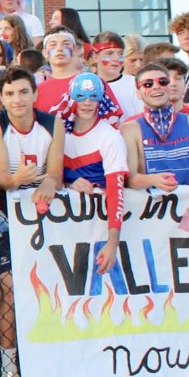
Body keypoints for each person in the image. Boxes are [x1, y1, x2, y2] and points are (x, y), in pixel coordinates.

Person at [0, 68, 64, 377]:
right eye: (10, 93)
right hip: (5, 217)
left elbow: (55, 172)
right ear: (1, 98)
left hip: (43, 217)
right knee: (10, 289)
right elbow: (3, 178)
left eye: (24, 92)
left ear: (35, 94)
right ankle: (9, 367)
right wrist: (23, 178)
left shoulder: (52, 124)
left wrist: (49, 182)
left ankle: (46, 361)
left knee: (49, 290)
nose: (17, 99)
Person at [120, 63, 189, 211]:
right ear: (138, 93)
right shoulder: (129, 129)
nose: (156, 87)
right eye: (148, 84)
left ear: (169, 87)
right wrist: (152, 180)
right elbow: (130, 179)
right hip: (150, 212)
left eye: (162, 82)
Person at [57, 72, 128, 276]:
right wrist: (69, 180)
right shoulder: (59, 133)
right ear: (71, 98)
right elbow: (47, 173)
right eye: (80, 96)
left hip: (99, 227)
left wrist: (112, 243)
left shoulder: (110, 137)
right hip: (64, 228)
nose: (87, 103)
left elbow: (116, 192)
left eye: (93, 97)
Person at [91, 31, 143, 119]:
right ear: (95, 57)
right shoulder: (86, 85)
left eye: (120, 54)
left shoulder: (135, 84)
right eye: (109, 53)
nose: (116, 58)